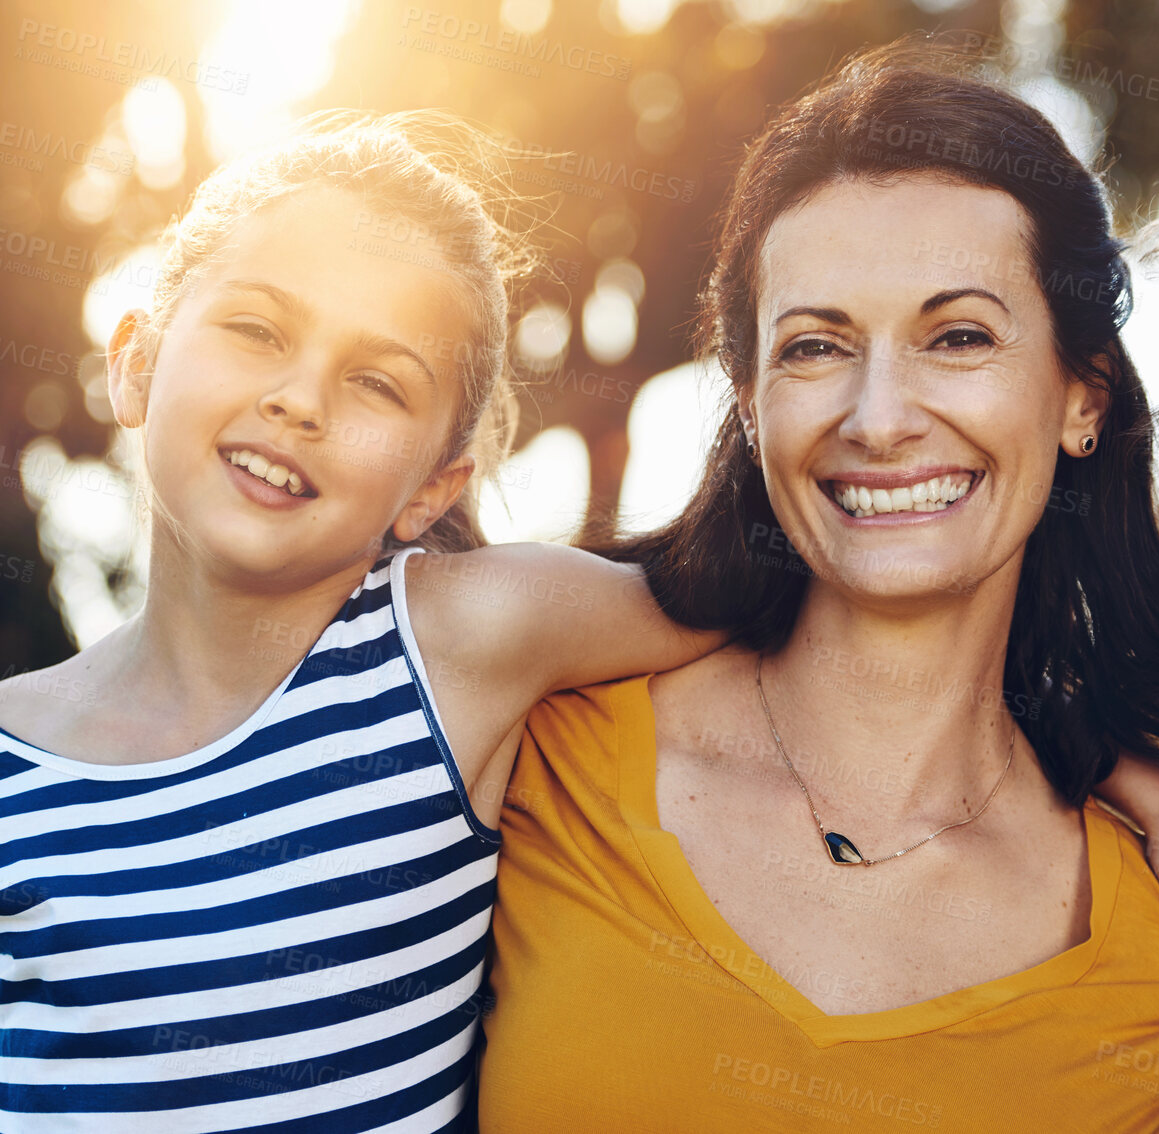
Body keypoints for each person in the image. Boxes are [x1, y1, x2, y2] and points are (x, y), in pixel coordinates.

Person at [478, 45, 1159, 1133]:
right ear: (751, 401)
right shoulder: (530, 760)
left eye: (957, 336)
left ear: (1080, 397)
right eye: (816, 347)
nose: (877, 417)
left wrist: (1155, 788)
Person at [0, 112, 723, 1132]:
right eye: (256, 329)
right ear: (135, 362)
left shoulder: (457, 645)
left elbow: (758, 593)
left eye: (377, 381)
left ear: (433, 487)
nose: (300, 399)